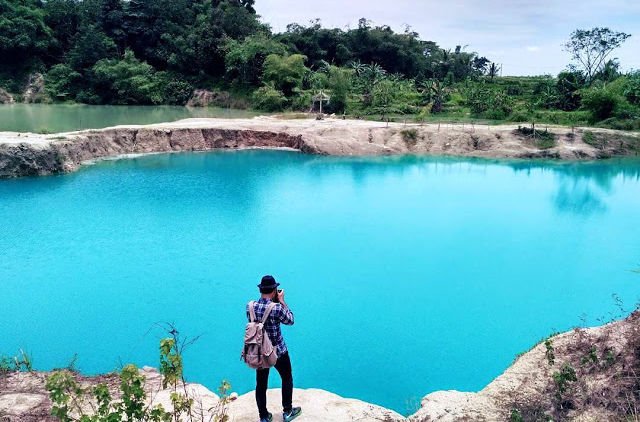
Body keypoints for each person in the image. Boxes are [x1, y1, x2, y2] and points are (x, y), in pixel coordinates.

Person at [247, 275, 302, 422]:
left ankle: (264, 417)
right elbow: (290, 320)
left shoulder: (250, 306)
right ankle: (287, 411)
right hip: (278, 351)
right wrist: (282, 301)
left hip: (259, 351)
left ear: (261, 290)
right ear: (274, 290)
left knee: (261, 384)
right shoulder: (276, 308)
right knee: (286, 377)